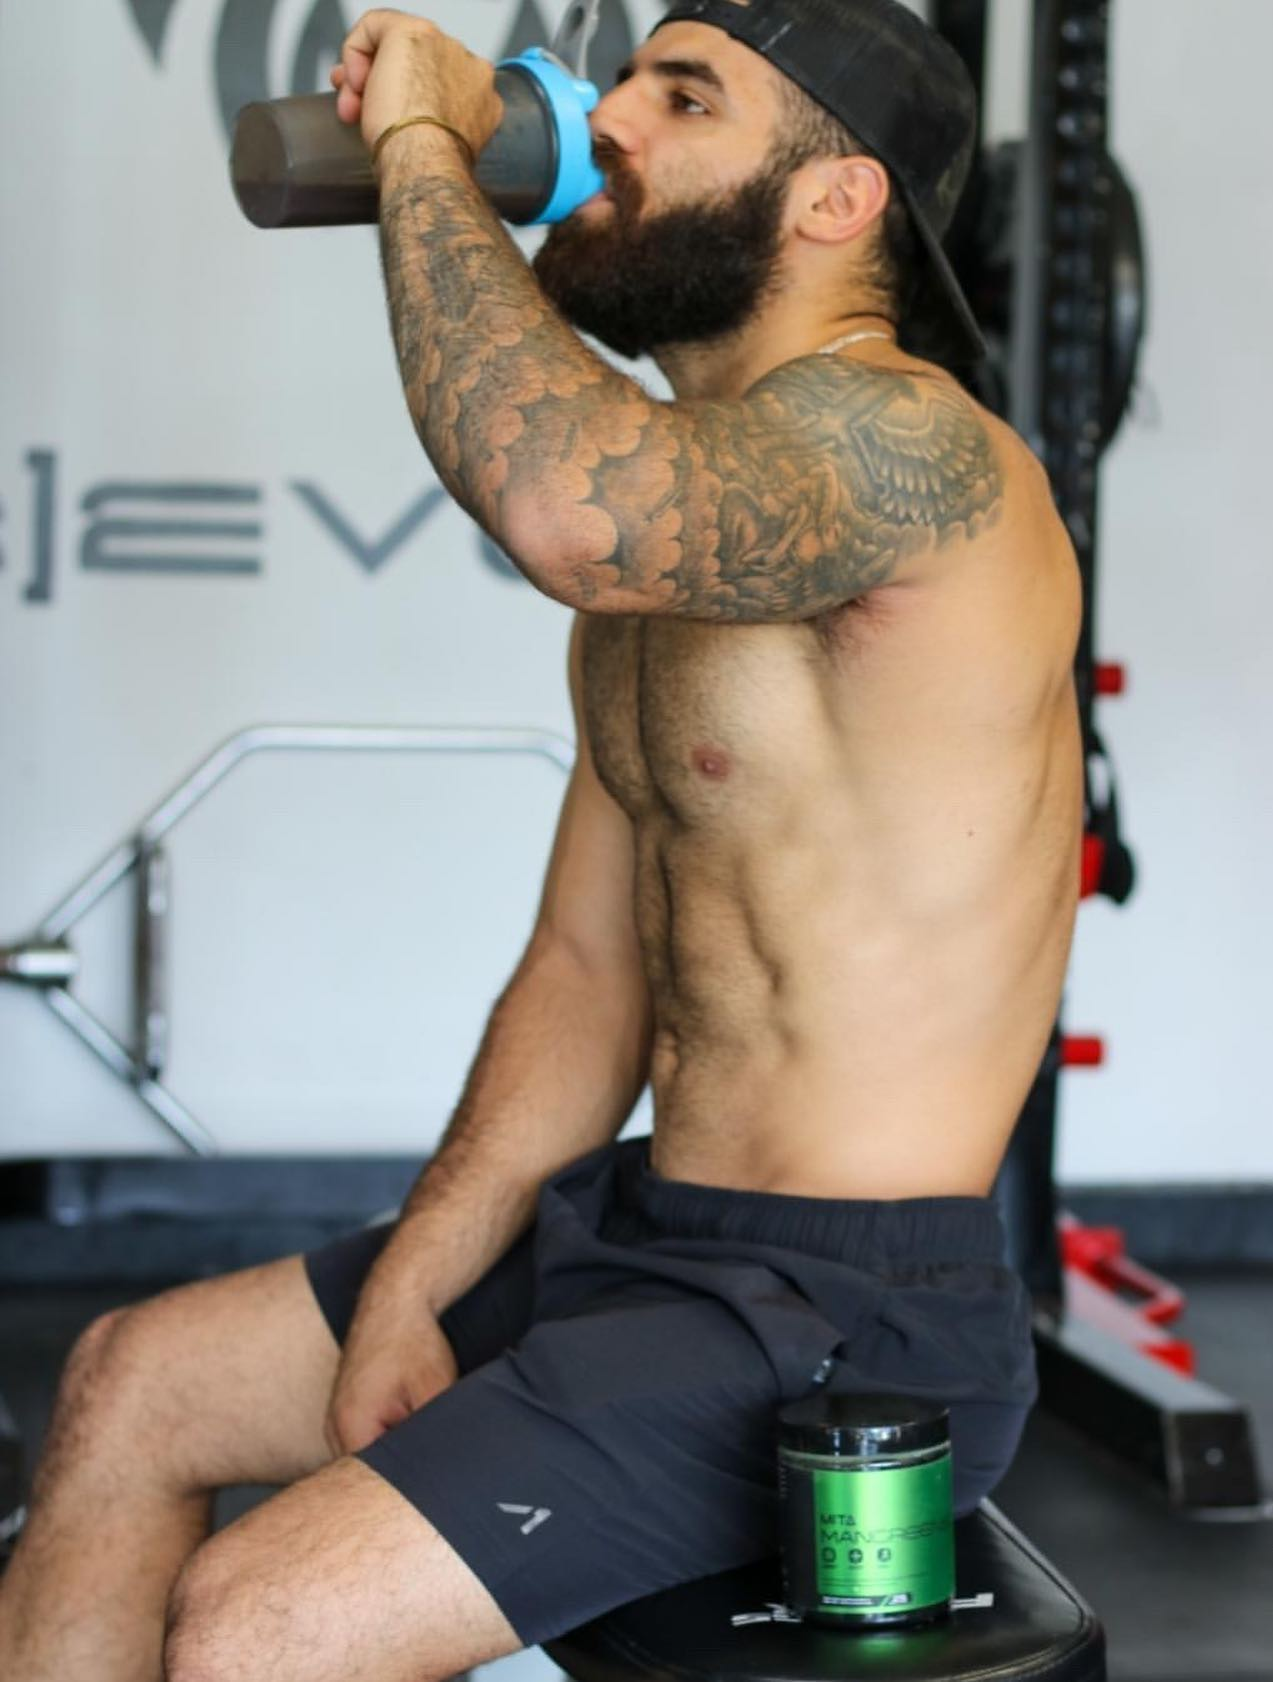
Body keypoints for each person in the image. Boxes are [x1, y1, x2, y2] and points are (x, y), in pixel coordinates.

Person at [0, 2, 1082, 1678]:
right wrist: (417, 1278)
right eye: (624, 78)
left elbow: (566, 501)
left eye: (683, 97)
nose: (608, 120)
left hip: (846, 1315)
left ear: (835, 198)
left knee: (257, 1619)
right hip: (644, 1238)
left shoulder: (918, 450)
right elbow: (586, 970)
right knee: (133, 1380)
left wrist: (424, 141)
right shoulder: (680, 562)